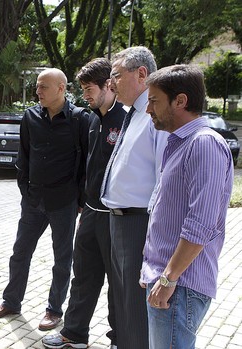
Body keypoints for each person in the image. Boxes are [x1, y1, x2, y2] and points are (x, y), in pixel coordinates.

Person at [0, 68, 89, 332]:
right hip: (33, 199)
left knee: (62, 258)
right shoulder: (30, 116)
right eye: (37, 86)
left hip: (64, 201)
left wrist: (79, 198)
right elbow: (25, 155)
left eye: (43, 86)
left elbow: (85, 163)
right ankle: (11, 301)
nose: (38, 91)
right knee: (20, 252)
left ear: (61, 89)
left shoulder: (79, 119)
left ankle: (54, 310)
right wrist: (25, 189)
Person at [140, 65, 233, 349]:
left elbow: (201, 224)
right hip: (169, 282)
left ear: (180, 101)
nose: (148, 110)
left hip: (179, 286)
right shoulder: (182, 142)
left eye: (154, 100)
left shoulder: (203, 144)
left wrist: (168, 279)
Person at [42, 58, 125, 349]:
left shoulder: (127, 120)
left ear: (109, 85)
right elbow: (86, 165)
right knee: (83, 277)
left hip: (118, 217)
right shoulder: (91, 120)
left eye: (90, 89)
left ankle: (120, 339)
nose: (85, 95)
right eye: (83, 89)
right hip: (90, 212)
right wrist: (82, 203)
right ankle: (74, 335)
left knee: (118, 284)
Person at [99, 46, 168, 349]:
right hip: (117, 221)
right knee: (123, 300)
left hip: (139, 222)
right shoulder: (133, 114)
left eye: (115, 75)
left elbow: (164, 177)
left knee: (136, 306)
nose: (110, 83)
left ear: (142, 74)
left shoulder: (155, 117)